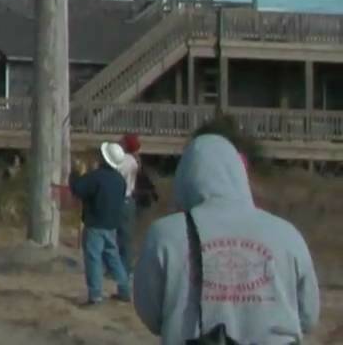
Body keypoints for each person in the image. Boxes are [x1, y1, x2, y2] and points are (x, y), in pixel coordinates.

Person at [134, 133, 319, 344]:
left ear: (184, 176)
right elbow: (308, 317)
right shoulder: (288, 235)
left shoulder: (163, 235)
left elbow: (151, 315)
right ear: (240, 174)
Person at [69, 143, 134, 305]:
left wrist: (75, 173)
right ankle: (124, 290)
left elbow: (78, 189)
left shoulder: (96, 176)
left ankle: (95, 295)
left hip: (95, 224)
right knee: (114, 257)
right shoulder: (120, 180)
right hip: (111, 224)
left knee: (93, 258)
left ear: (103, 158)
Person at [114, 133, 157, 270]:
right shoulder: (135, 161)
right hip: (129, 200)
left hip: (120, 199)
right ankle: (125, 266)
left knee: (119, 236)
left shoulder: (122, 160)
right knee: (127, 235)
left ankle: (121, 267)